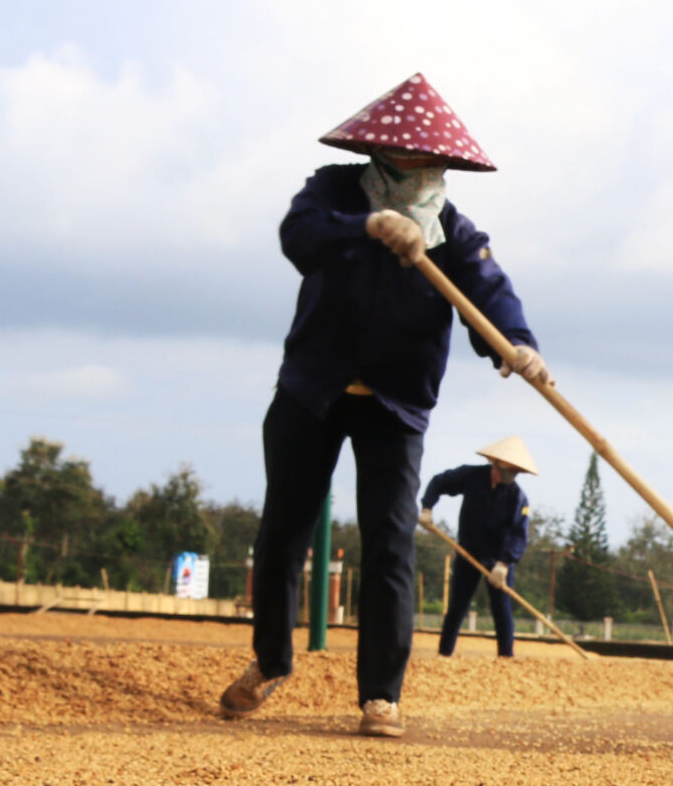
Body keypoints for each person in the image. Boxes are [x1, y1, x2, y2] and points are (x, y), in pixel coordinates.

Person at [219, 73, 548, 739]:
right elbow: (298, 236)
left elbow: (490, 289)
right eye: (413, 160)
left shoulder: (454, 235)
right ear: (384, 157)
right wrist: (369, 225)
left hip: (394, 406)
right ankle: (272, 661)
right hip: (312, 389)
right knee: (283, 529)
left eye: (436, 163)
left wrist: (518, 344)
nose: (425, 171)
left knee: (391, 543)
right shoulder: (334, 192)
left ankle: (380, 695)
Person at [424, 436, 537, 658]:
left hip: (498, 561)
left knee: (502, 610)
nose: (505, 477)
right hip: (468, 552)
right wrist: (427, 507)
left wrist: (504, 564)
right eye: (503, 471)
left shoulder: (518, 498)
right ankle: (444, 654)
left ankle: (506, 657)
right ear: (495, 465)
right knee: (457, 606)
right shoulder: (471, 476)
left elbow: (518, 534)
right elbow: (439, 482)